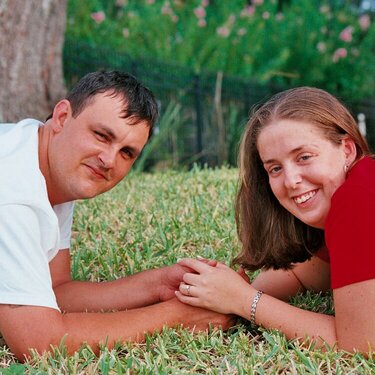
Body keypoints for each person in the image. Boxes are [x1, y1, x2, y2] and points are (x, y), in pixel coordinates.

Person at [0, 70, 231, 361]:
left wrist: (159, 284)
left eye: (127, 152)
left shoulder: (44, 155)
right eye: (101, 135)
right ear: (61, 117)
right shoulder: (14, 191)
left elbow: (56, 289)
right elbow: (38, 342)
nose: (109, 160)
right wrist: (176, 316)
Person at [175, 87, 375, 353]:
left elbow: (362, 343)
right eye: (275, 168)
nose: (291, 181)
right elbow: (306, 275)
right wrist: (226, 289)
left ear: (347, 150)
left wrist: (244, 300)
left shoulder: (358, 198)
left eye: (304, 157)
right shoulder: (358, 186)